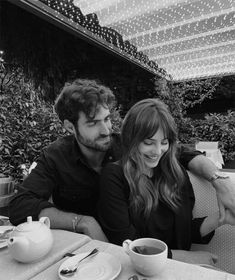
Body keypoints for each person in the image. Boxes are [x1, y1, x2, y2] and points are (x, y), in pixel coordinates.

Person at [9, 79, 235, 241]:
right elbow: (20, 206)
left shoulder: (126, 145)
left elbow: (180, 152)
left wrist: (219, 180)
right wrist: (83, 222)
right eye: (93, 123)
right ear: (70, 127)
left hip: (128, 246)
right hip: (82, 248)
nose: (106, 129)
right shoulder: (55, 156)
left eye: (107, 119)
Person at [98, 98, 235, 265]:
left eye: (164, 142)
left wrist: (221, 218)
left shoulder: (175, 173)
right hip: (139, 269)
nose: (157, 151)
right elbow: (128, 244)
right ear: (130, 139)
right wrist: (188, 258)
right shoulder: (114, 177)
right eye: (148, 143)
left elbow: (183, 232)